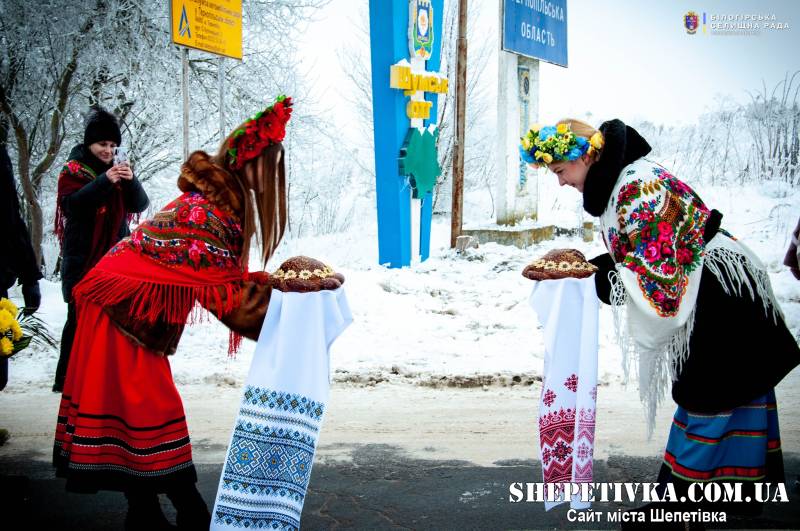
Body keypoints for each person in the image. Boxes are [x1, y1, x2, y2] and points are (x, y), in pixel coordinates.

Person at [520, 119, 800, 520]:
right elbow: (641, 251)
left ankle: (678, 511)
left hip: (720, 296)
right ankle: (730, 495)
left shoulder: (636, 185)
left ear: (584, 157)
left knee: (711, 395)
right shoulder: (622, 183)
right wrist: (586, 269)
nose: (561, 182)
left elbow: (660, 270)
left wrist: (597, 279)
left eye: (561, 171)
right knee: (729, 393)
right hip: (710, 290)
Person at [52, 95, 292, 530]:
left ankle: (142, 512)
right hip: (118, 310)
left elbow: (222, 279)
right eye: (270, 166)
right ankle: (188, 509)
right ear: (251, 164)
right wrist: (289, 319)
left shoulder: (217, 203)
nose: (274, 177)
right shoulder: (209, 210)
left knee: (134, 410)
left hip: (120, 306)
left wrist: (278, 288)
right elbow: (225, 296)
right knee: (151, 408)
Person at [52, 107, 149, 392]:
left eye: (112, 145)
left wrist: (130, 180)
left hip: (116, 259)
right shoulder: (73, 170)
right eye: (102, 144)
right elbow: (73, 205)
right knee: (80, 321)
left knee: (115, 322)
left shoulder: (118, 170)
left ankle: (106, 381)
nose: (108, 150)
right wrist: (105, 181)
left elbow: (139, 205)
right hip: (82, 259)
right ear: (88, 144)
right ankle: (69, 381)